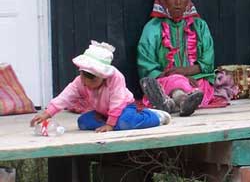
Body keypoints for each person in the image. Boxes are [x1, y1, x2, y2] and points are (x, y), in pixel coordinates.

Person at [137, 0, 233, 116]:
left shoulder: (200, 26)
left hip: (196, 80)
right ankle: (182, 100)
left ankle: (171, 103)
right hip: (165, 80)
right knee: (173, 82)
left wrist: (184, 72)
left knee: (201, 85)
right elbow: (147, 67)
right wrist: (178, 77)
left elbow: (207, 63)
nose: (178, 2)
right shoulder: (152, 28)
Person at [30, 41, 170, 132]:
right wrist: (47, 113)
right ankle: (115, 124)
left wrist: (110, 124)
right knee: (83, 122)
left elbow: (117, 101)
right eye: (84, 76)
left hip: (123, 108)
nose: (86, 82)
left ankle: (156, 116)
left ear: (103, 76)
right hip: (102, 113)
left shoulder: (115, 78)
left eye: (92, 79)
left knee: (126, 122)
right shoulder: (81, 81)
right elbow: (65, 97)